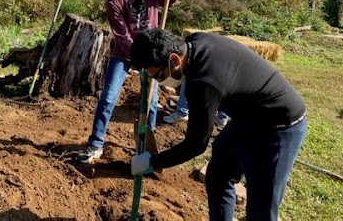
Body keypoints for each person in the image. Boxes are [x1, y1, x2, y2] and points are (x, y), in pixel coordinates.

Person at [129, 29, 307, 221]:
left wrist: (152, 163)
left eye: (159, 75)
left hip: (279, 126)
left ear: (174, 60)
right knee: (219, 175)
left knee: (261, 206)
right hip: (248, 117)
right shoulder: (193, 42)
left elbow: (196, 144)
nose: (159, 80)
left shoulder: (204, 82)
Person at [76, 0, 181, 163]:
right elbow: (122, 36)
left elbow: (168, 2)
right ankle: (95, 143)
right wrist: (137, 57)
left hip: (151, 53)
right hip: (124, 54)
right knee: (107, 98)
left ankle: (145, 146)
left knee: (150, 102)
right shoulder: (113, 1)